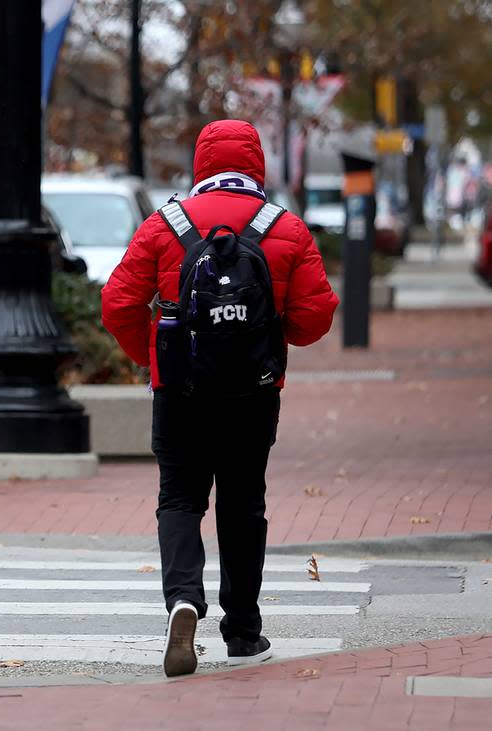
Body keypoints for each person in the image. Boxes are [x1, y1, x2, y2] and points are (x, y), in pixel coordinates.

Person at [101, 120, 338, 677]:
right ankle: (244, 632)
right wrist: (271, 333)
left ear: (200, 164)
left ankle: (183, 600)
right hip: (252, 393)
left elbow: (117, 303)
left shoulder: (165, 225)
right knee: (242, 503)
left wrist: (152, 358)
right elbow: (315, 316)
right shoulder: (285, 228)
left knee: (180, 498)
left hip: (179, 390)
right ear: (256, 165)